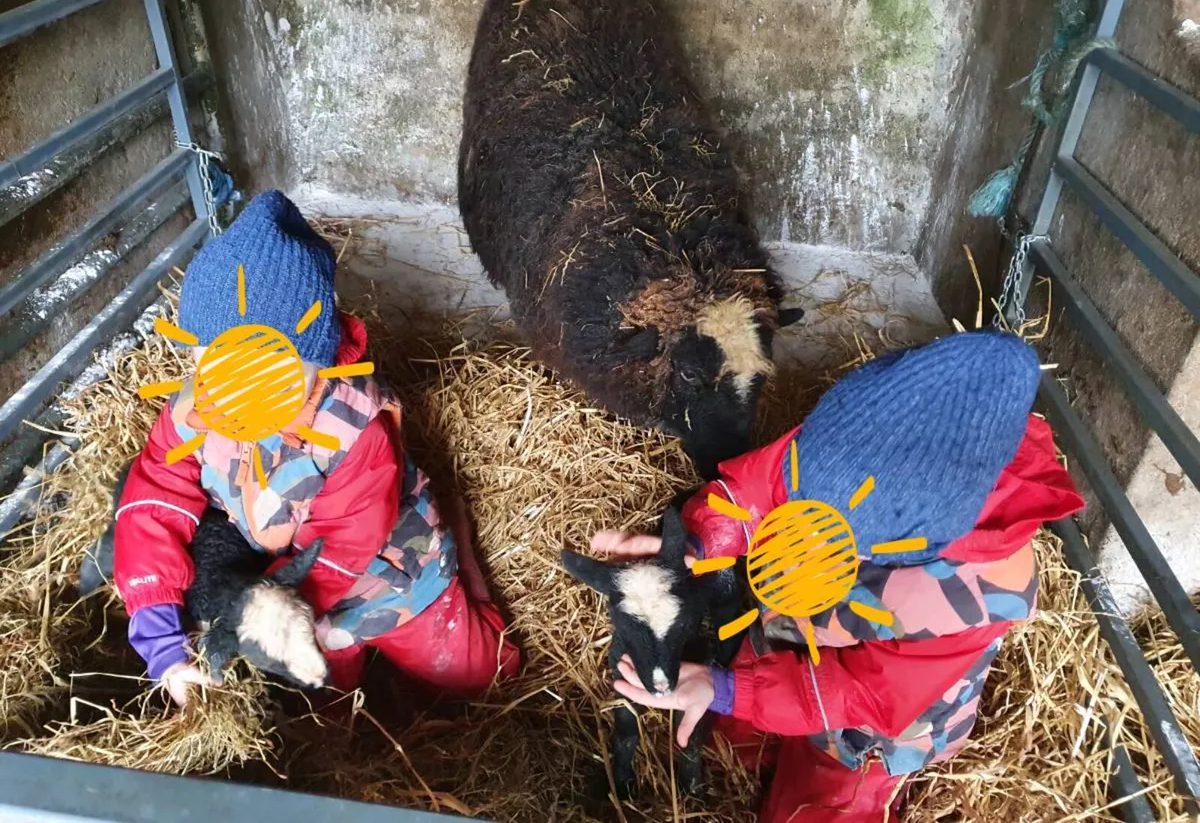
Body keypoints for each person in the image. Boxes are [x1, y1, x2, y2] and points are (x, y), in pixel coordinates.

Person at [592, 331, 1084, 822]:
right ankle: (753, 742)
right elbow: (764, 486)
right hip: (793, 628)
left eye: (831, 528)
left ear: (913, 541)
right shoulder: (850, 447)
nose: (796, 510)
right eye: (801, 496)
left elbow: (862, 693)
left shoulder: (971, 600)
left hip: (865, 727)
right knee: (731, 730)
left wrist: (729, 690)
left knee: (814, 801)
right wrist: (702, 540)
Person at [112, 190, 520, 705]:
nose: (238, 396)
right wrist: (160, 632)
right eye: (217, 367)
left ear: (318, 359)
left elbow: (349, 541)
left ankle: (467, 588)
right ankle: (340, 693)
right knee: (323, 698)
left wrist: (274, 612)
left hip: (388, 576)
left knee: (476, 677)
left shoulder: (355, 433)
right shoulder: (192, 411)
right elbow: (153, 500)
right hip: (282, 574)